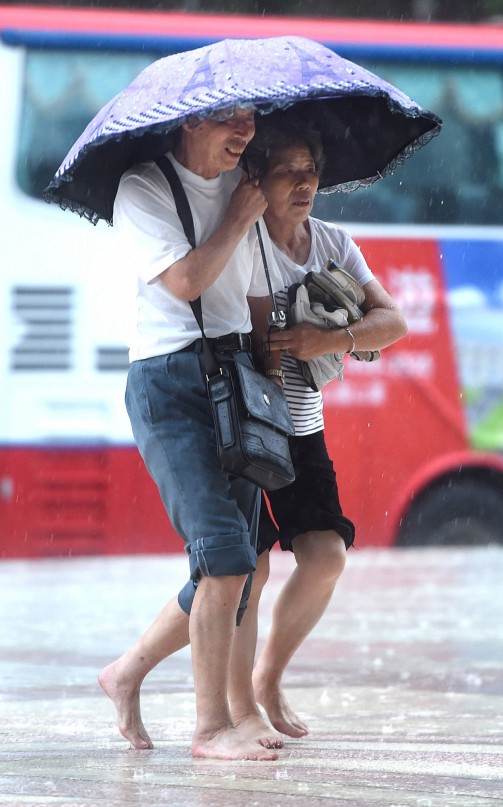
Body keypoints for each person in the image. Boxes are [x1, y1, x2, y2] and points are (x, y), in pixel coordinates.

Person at [98, 107, 283, 761]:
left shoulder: (249, 189)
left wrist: (288, 355)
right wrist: (237, 217)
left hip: (236, 382)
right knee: (225, 558)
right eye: (230, 120)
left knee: (230, 566)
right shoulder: (143, 186)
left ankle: (125, 671)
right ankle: (209, 730)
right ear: (190, 121)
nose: (245, 132)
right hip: (168, 384)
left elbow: (258, 298)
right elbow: (184, 282)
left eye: (251, 119)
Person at [226, 121, 408, 740]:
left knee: (326, 556)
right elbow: (260, 347)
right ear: (258, 179)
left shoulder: (334, 242)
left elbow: (394, 321)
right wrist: (284, 344)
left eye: (311, 169)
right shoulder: (246, 241)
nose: (305, 182)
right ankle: (234, 706)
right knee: (246, 567)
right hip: (251, 429)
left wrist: (326, 338)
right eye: (288, 170)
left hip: (303, 428)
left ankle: (267, 677)